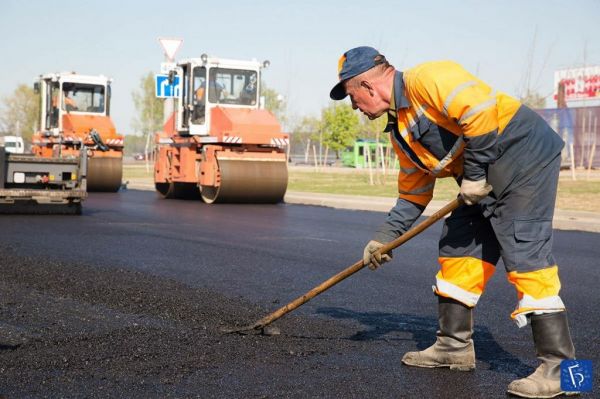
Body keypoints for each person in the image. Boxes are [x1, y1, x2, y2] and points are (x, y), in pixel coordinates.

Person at [329, 46, 576, 398]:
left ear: (367, 85)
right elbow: (414, 193)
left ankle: (566, 374)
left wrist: (473, 175)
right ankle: (453, 347)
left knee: (526, 255)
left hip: (524, 158)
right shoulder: (401, 130)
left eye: (352, 97)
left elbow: (479, 113)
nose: (354, 106)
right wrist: (384, 237)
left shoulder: (426, 78)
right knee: (458, 247)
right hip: (480, 177)